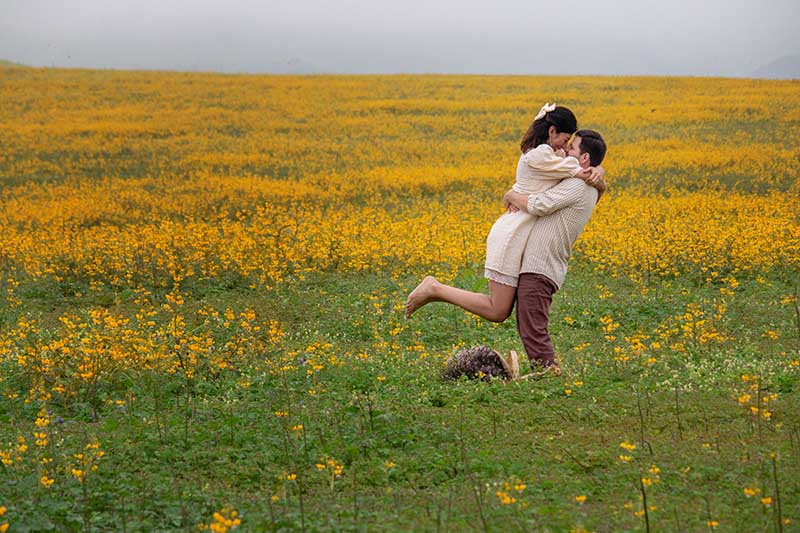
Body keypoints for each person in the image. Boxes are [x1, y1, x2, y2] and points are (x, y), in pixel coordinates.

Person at [405, 108, 605, 323]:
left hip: (520, 232)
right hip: (512, 233)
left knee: (499, 310)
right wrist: (596, 172)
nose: (565, 148)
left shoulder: (550, 154)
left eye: (570, 144)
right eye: (566, 140)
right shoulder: (541, 155)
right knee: (498, 310)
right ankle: (434, 288)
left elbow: (581, 179)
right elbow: (579, 172)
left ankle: (435, 289)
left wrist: (599, 172)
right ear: (552, 131)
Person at [504, 129, 607, 376]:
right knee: (529, 323)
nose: (564, 150)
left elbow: (540, 205)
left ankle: (549, 374)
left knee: (533, 326)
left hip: (542, 265)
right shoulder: (582, 182)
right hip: (541, 265)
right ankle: (544, 372)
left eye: (572, 148)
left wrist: (511, 195)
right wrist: (601, 175)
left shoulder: (577, 185)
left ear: (584, 159)